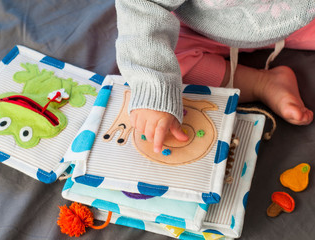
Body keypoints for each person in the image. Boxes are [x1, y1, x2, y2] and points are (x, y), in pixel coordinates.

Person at [115, 0, 315, 153]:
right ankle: (261, 83)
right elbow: (143, 6)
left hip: (300, 23)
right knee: (171, 67)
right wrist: (153, 84)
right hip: (206, 30)